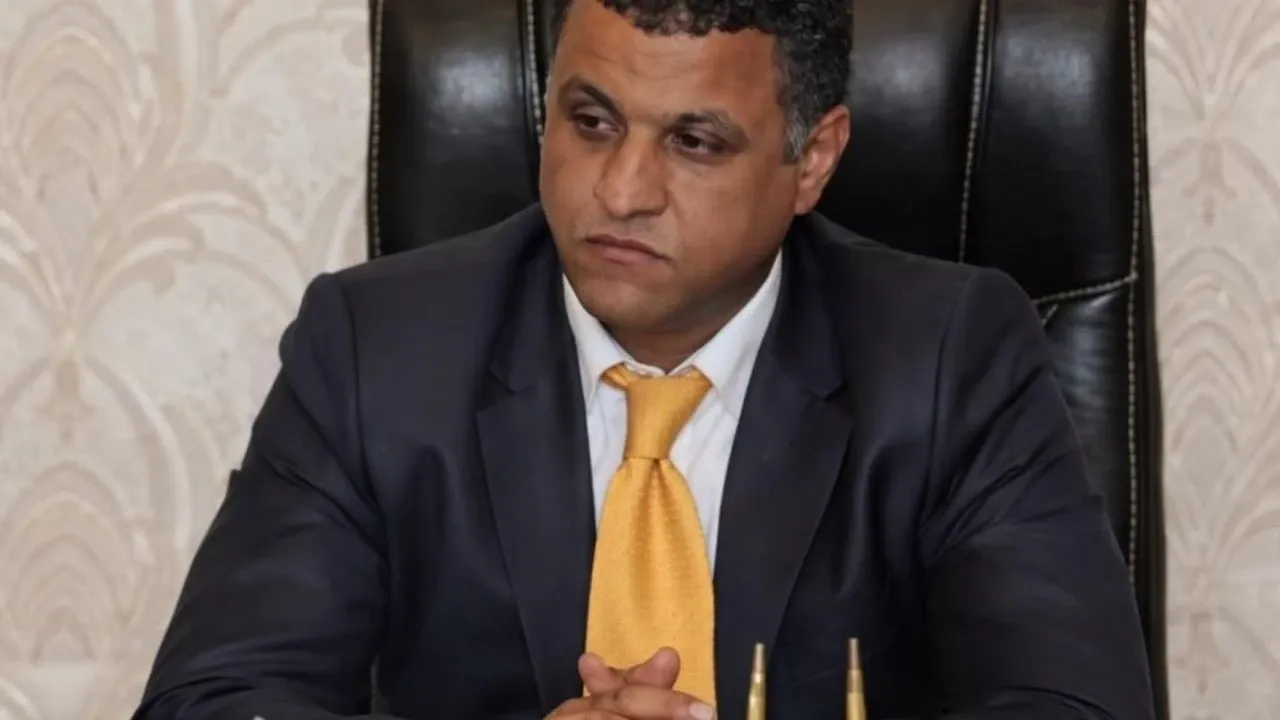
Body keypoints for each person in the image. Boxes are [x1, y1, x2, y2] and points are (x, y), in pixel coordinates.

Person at [132, 0, 1156, 718]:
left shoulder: (948, 360)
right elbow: (213, 701)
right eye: (590, 122)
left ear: (811, 159)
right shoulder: (374, 352)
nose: (620, 191)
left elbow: (1076, 707)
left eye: (693, 142)